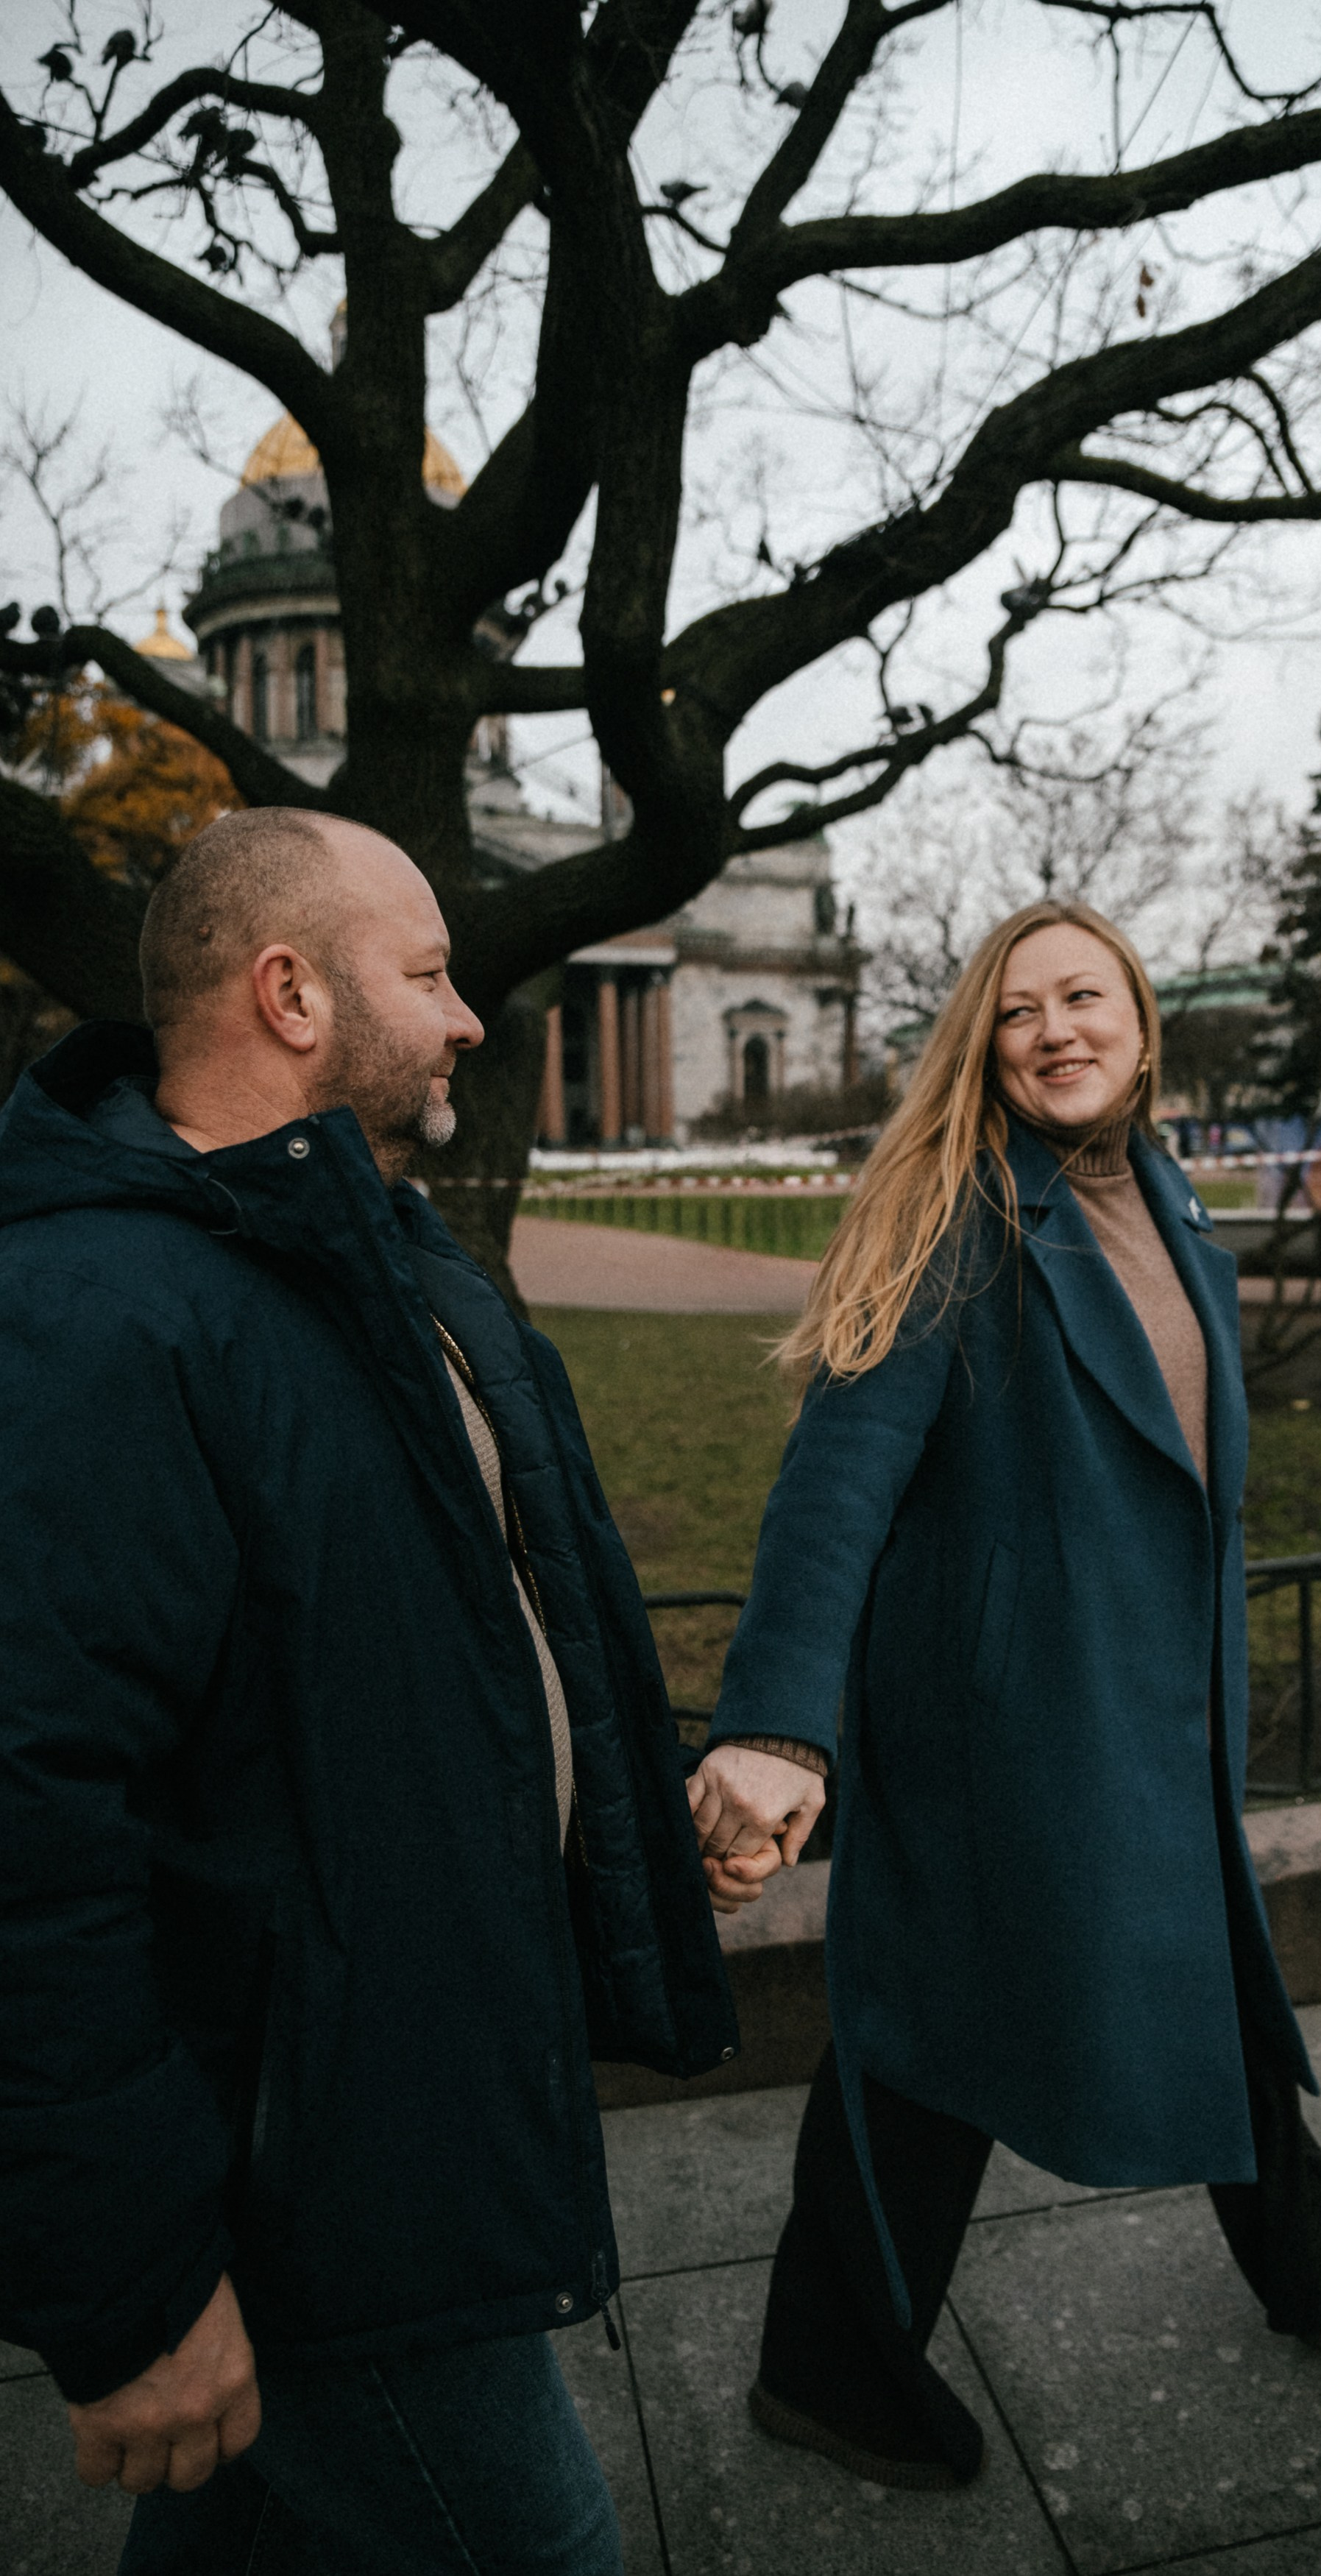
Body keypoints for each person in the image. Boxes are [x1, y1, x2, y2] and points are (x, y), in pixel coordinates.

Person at [685, 899, 1321, 2491]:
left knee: (1199, 1964)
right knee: (927, 2039)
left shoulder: (1164, 1195)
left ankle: (1320, 2254)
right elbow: (832, 1488)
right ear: (981, 1048)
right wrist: (779, 1727)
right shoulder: (954, 1214)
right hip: (1008, 1728)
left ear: (1140, 1024)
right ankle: (828, 2369)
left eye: (1085, 998)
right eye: (1018, 1012)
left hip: (1152, 1708)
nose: (1055, 1030)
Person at [0, 807, 741, 2574]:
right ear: (292, 994)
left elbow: (492, 1614)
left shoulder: (380, 1249)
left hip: (401, 2081)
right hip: (313, 2165)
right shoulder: (88, 1316)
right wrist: (136, 2282)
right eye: (428, 975)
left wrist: (637, 1810)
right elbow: (28, 1831)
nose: (473, 1016)